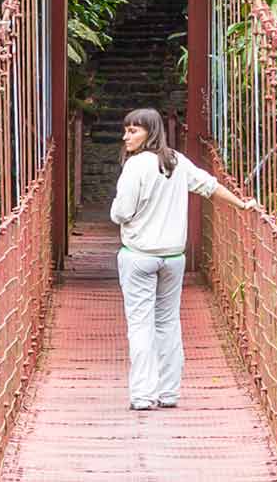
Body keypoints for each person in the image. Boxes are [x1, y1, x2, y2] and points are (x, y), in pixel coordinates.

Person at [107, 107, 256, 412]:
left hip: (138, 257)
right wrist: (240, 204)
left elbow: (120, 213)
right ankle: (169, 391)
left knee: (140, 325)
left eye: (133, 131)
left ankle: (143, 395)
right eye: (125, 130)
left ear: (150, 132)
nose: (126, 136)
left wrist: (127, 216)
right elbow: (209, 187)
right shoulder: (175, 160)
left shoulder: (135, 167)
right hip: (173, 258)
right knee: (168, 323)